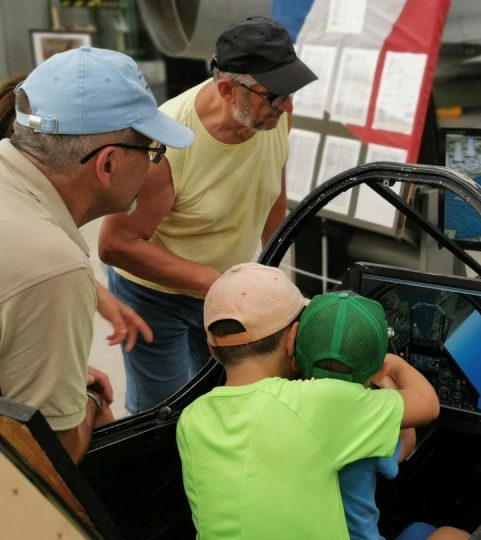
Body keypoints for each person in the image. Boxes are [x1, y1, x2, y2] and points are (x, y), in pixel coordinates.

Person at [99, 15, 318, 414]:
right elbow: (115, 244)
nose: (286, 106)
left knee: (230, 402)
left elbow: (273, 188)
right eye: (275, 96)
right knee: (162, 413)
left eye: (290, 93)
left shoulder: (275, 114)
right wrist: (214, 283)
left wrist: (269, 271)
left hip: (226, 287)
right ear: (227, 89)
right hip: (155, 296)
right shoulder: (168, 143)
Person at [0, 46, 194, 463]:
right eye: (152, 152)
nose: (153, 166)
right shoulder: (52, 266)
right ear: (108, 164)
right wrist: (85, 399)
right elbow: (49, 456)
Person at [176, 263, 439, 539]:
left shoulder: (191, 420)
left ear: (212, 350)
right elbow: (426, 405)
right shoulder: (317, 403)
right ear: (293, 338)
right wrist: (387, 363)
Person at [294, 292, 470, 540]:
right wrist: (392, 378)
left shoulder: (281, 403)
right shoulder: (365, 418)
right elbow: (407, 445)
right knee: (451, 534)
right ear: (380, 369)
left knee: (419, 529)